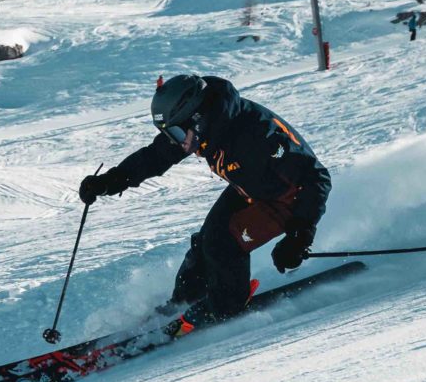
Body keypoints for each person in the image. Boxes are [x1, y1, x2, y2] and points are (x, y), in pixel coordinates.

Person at [78, 73, 331, 321]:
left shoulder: (258, 136)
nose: (178, 143)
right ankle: (181, 306)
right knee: (205, 243)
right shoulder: (206, 126)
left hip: (288, 199)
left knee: (222, 244)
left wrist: (299, 235)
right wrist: (109, 182)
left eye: (176, 133)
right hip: (249, 188)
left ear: (198, 118)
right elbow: (156, 156)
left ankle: (225, 310)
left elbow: (316, 178)